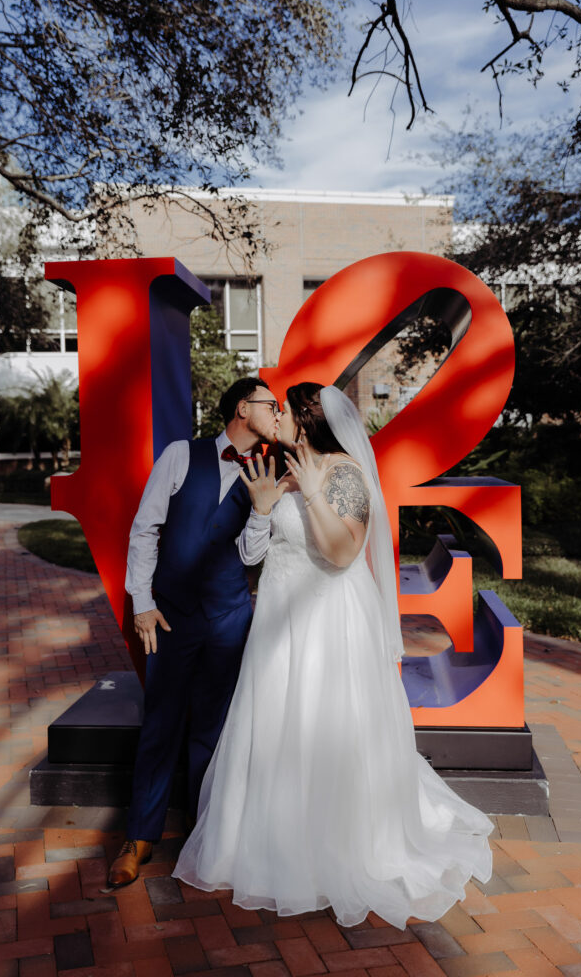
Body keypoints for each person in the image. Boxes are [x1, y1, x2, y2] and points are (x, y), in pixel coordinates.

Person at [172, 382, 493, 929]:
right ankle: (267, 839)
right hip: (279, 616)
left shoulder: (343, 473)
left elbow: (343, 554)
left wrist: (314, 491)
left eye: (284, 410)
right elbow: (257, 551)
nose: (276, 416)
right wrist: (263, 507)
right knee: (275, 724)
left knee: (323, 722)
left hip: (328, 619)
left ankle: (334, 845)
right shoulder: (282, 466)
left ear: (305, 418)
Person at [107, 377, 280, 888]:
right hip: (171, 616)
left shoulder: (265, 470)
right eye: (272, 405)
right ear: (244, 407)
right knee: (161, 722)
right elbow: (145, 528)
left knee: (212, 727)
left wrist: (263, 509)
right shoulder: (182, 455)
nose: (278, 412)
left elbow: (251, 557)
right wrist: (142, 604)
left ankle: (204, 829)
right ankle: (139, 836)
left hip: (228, 617)